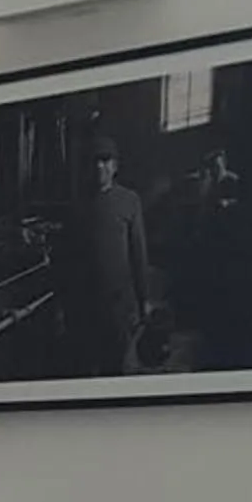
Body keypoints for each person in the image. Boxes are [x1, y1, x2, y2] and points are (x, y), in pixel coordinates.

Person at [59, 135, 150, 376]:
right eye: (94, 161)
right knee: (85, 370)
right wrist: (63, 306)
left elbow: (138, 254)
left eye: (105, 160)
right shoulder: (76, 206)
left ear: (115, 166)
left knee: (114, 369)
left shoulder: (130, 201)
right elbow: (66, 261)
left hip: (118, 307)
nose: (99, 166)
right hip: (84, 307)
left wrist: (143, 301)